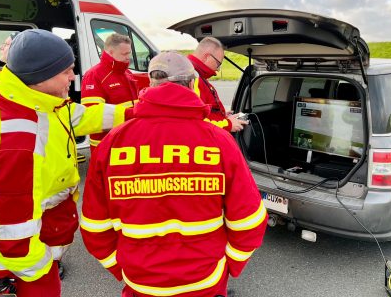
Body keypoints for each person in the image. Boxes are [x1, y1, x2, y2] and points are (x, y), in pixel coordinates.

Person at [80, 51, 267, 297]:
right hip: (205, 282)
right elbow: (249, 220)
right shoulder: (218, 140)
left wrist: (123, 268)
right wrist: (229, 266)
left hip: (140, 284)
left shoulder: (113, 142)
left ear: (150, 84)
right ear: (192, 84)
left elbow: (94, 227)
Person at [0, 29, 130, 297]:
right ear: (41, 76)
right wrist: (41, 271)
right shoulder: (15, 138)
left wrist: (133, 112)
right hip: (16, 258)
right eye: (67, 71)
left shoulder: (28, 95)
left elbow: (78, 116)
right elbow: (10, 236)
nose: (74, 78)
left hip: (35, 234)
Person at [81, 33, 139, 153]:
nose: (129, 57)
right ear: (110, 52)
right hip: (106, 144)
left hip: (128, 140)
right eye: (125, 54)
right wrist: (132, 114)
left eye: (129, 53)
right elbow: (93, 115)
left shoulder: (127, 73)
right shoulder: (94, 75)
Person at [188, 37, 248, 132]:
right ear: (207, 57)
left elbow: (205, 110)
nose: (217, 70)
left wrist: (222, 115)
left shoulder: (193, 73)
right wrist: (227, 124)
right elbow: (197, 120)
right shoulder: (193, 78)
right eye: (218, 64)